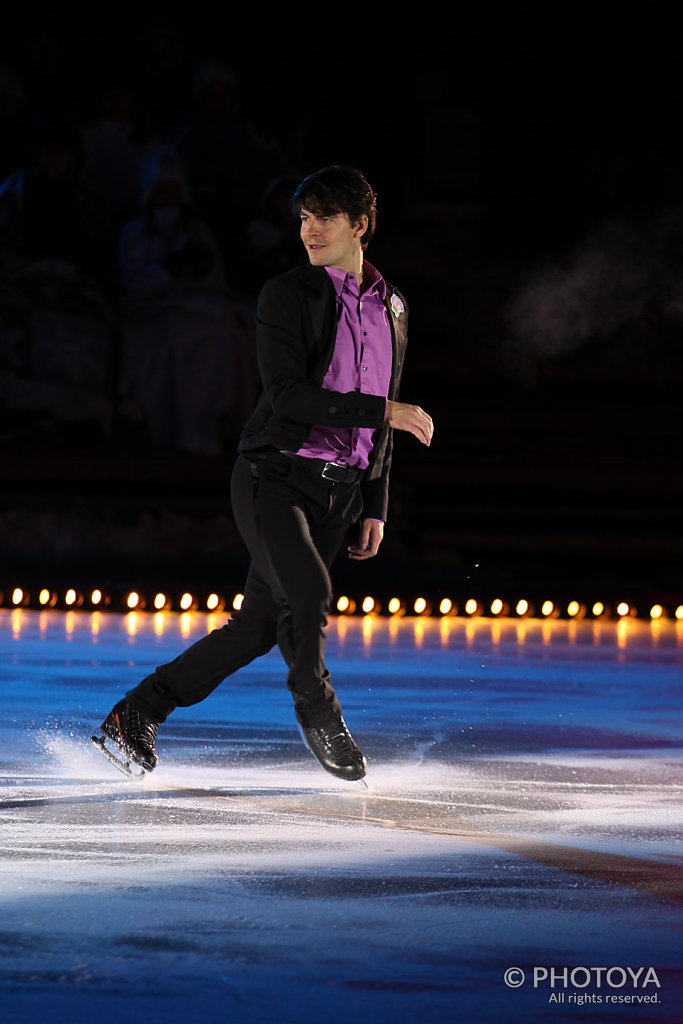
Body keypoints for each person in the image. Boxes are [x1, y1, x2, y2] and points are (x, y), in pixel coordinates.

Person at [95, 165, 433, 782]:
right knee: (306, 595)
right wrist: (385, 411)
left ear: (360, 224)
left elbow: (387, 405)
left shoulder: (394, 306)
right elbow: (288, 397)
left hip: (342, 492)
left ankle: (138, 711)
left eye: (324, 217)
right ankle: (319, 713)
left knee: (256, 628)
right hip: (274, 478)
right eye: (303, 218)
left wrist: (377, 503)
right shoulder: (287, 295)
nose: (309, 229)